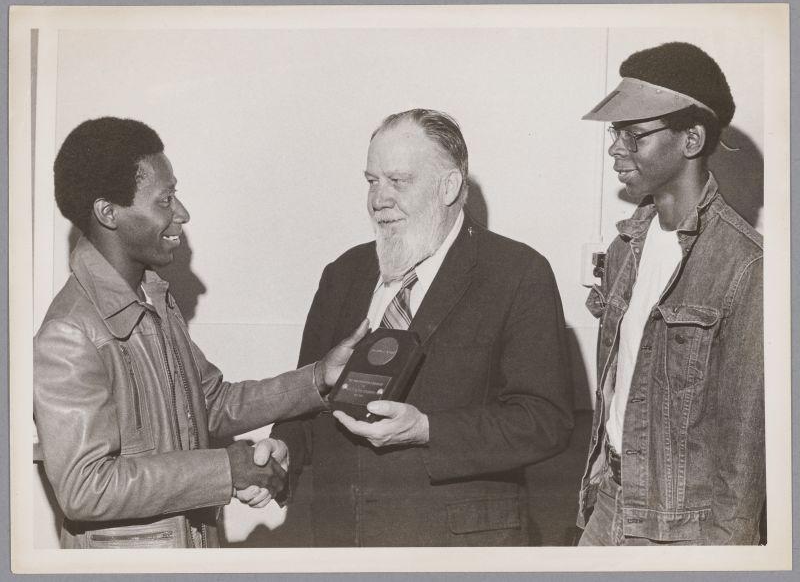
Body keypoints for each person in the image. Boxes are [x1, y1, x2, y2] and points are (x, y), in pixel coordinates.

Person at [33, 117, 367, 548]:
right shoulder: (69, 332)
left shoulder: (153, 300)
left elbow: (212, 403)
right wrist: (227, 469)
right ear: (108, 212)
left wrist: (318, 377)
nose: (182, 214)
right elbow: (85, 488)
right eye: (165, 200)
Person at [272, 108, 574, 546]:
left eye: (398, 181)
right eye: (372, 181)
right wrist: (285, 451)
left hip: (455, 549)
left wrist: (428, 428)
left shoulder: (517, 272)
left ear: (449, 186)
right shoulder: (343, 273)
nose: (379, 199)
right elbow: (309, 399)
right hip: (342, 543)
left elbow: (544, 421)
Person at [576, 42, 764, 545]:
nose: (616, 147)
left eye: (633, 135)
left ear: (691, 139)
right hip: (607, 502)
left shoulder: (746, 265)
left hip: (680, 531)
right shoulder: (624, 247)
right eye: (616, 133)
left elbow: (743, 456)